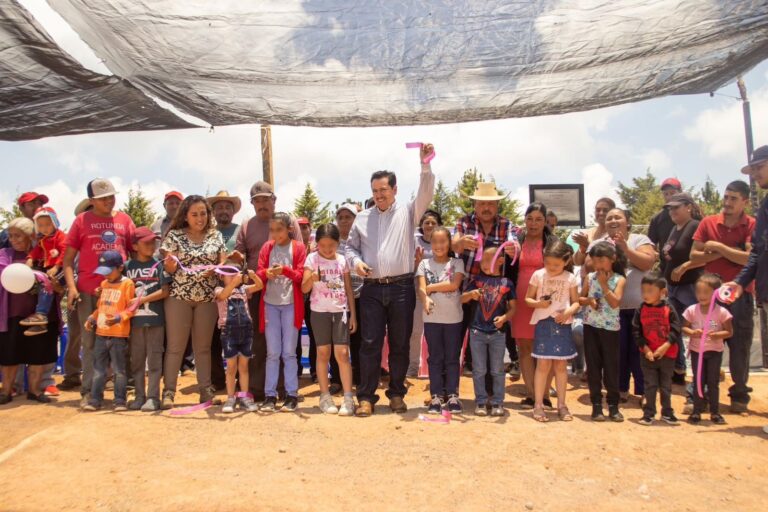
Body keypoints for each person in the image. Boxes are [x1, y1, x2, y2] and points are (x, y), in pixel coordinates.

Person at [346, 143, 435, 417]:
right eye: (375, 191)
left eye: (384, 190)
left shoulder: (409, 213)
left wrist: (425, 164)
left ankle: (396, 393)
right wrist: (356, 262)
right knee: (369, 343)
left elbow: (426, 192)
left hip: (402, 287)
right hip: (371, 289)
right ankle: (366, 397)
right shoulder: (361, 218)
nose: (379, 195)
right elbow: (350, 248)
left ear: (395, 190)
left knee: (399, 343)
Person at [63, 178, 136, 409]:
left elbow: (136, 253)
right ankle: (89, 393)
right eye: (103, 197)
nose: (109, 200)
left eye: (111, 196)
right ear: (91, 200)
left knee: (119, 343)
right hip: (88, 291)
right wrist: (72, 288)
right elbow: (67, 261)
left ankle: (119, 394)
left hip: (119, 293)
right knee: (90, 342)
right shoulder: (81, 220)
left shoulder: (125, 220)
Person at [232, 181, 302, 402]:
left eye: (265, 199)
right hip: (257, 292)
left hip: (289, 295)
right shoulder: (246, 225)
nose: (262, 204)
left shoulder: (289, 221)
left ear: (274, 200)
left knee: (287, 346)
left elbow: (300, 256)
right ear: (252, 203)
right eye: (257, 200)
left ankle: (286, 390)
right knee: (260, 343)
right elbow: (240, 255)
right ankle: (260, 389)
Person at [692, 180, 755, 413]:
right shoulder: (708, 222)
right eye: (726, 197)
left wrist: (717, 248)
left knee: (739, 346)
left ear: (745, 201)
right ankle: (700, 394)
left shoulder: (752, 225)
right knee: (703, 344)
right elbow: (694, 256)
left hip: (740, 295)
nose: (727, 202)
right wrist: (732, 254)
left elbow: (750, 260)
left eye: (734, 198)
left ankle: (739, 393)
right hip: (709, 297)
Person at [160, 195, 227, 408]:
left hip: (207, 299)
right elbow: (168, 268)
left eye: (203, 214)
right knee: (175, 347)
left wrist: (215, 269)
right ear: (185, 216)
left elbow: (223, 264)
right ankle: (169, 393)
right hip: (179, 298)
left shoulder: (216, 236)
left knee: (203, 348)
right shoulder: (174, 236)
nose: (200, 218)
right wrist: (170, 264)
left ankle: (206, 392)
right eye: (194, 214)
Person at [453, 184, 519, 380]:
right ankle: (451, 385)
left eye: (490, 203)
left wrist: (514, 248)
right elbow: (453, 243)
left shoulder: (507, 225)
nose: (486, 207)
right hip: (467, 289)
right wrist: (460, 243)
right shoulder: (463, 223)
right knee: (457, 335)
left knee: (493, 340)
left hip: (494, 295)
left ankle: (490, 391)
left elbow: (516, 244)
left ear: (497, 205)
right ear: (475, 204)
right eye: (482, 203)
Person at [590, 208, 656, 403]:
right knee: (617, 352)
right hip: (610, 309)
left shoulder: (639, 239)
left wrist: (625, 249)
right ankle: (620, 389)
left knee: (640, 350)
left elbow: (647, 262)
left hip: (638, 307)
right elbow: (587, 265)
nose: (612, 220)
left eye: (617, 217)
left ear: (627, 221)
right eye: (609, 218)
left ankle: (645, 392)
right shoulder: (599, 242)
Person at [727, 145, 768, 432]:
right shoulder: (765, 206)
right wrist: (740, 282)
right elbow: (757, 252)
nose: (754, 174)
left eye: (758, 168)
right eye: (752, 169)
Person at [0, 218, 60, 405]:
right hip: (12, 314)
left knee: (38, 354)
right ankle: (6, 391)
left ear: (30, 236)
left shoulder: (43, 255)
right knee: (9, 355)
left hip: (41, 316)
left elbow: (56, 282)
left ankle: (34, 391)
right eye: (11, 236)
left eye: (18, 235)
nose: (14, 239)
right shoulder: (4, 255)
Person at [302, 223, 357, 416]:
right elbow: (304, 288)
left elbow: (348, 289)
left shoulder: (343, 261)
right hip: (318, 312)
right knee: (323, 353)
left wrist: (353, 315)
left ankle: (348, 397)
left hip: (340, 312)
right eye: (322, 245)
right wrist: (312, 278)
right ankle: (325, 397)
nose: (326, 249)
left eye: (331, 245)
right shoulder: (311, 259)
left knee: (342, 354)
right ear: (317, 244)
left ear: (338, 243)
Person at [256, 212, 307, 413]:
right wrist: (266, 273)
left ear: (289, 229)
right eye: (272, 230)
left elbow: (301, 276)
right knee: (273, 352)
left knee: (289, 352)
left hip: (291, 305)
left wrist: (284, 270)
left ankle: (291, 394)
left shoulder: (299, 248)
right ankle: (270, 395)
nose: (275, 234)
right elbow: (259, 272)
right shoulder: (267, 247)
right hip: (270, 304)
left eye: (279, 229)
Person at [510, 202, 559, 408]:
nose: (533, 223)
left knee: (545, 347)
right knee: (524, 346)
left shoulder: (553, 242)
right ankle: (531, 394)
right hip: (521, 299)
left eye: (539, 219)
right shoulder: (516, 241)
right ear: (525, 220)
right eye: (530, 219)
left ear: (545, 221)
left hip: (546, 300)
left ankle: (545, 395)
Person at [527, 240, 581, 422]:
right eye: (547, 263)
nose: (551, 267)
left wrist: (568, 312)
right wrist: (539, 304)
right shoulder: (537, 275)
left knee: (560, 366)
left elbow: (576, 302)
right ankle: (538, 404)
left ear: (566, 261)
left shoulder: (570, 278)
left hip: (563, 325)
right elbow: (528, 299)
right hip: (543, 324)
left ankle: (562, 404)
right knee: (542, 365)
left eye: (556, 264)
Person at [461, 245, 516, 417]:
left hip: (498, 335)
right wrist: (471, 295)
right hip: (477, 333)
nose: (483, 263)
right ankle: (481, 402)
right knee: (478, 369)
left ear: (500, 261)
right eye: (482, 260)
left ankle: (498, 402)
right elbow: (461, 298)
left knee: (498, 369)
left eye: (487, 259)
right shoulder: (476, 280)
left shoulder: (507, 283)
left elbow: (514, 308)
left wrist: (505, 318)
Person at [416, 226, 465, 414]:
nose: (439, 245)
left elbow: (454, 284)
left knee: (452, 358)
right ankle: (436, 395)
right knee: (435, 358)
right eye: (435, 241)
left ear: (449, 243)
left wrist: (429, 289)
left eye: (443, 241)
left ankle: (452, 395)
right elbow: (421, 289)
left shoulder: (457, 263)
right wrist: (425, 297)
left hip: (453, 318)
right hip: (431, 319)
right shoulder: (423, 264)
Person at [82, 251, 136, 411]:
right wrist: (92, 318)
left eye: (108, 272)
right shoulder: (104, 285)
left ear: (120, 268)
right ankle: (95, 400)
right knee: (99, 370)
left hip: (118, 335)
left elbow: (131, 308)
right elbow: (101, 307)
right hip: (101, 334)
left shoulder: (127, 284)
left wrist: (119, 318)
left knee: (119, 370)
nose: (105, 276)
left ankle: (119, 400)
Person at [124, 227, 170, 412]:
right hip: (134, 323)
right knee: (136, 361)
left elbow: (165, 291)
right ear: (135, 246)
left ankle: (153, 397)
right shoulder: (127, 267)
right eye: (146, 242)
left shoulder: (159, 265)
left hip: (156, 322)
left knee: (154, 360)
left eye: (153, 242)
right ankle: (139, 396)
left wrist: (142, 300)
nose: (152, 245)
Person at [580, 241, 627, 422]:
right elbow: (580, 297)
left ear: (612, 259)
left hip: (610, 328)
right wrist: (589, 300)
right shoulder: (589, 277)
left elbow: (616, 302)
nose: (598, 264)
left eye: (602, 260)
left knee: (611, 367)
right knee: (593, 366)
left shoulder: (619, 279)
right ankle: (596, 405)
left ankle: (613, 406)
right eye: (595, 260)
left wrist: (604, 285)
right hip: (591, 326)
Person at [662, 192, 704, 384]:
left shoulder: (695, 226)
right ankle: (679, 369)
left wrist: (686, 266)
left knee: (698, 327)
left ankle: (703, 374)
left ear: (688, 207)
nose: (672, 211)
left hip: (690, 285)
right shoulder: (675, 228)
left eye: (676, 207)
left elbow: (702, 256)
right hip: (673, 287)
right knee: (674, 327)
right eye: (670, 208)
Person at [683, 274, 733, 425]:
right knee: (698, 380)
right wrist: (692, 333)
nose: (701, 295)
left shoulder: (722, 312)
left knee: (712, 382)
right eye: (699, 292)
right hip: (697, 352)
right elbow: (684, 327)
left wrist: (717, 335)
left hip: (714, 352)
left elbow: (730, 332)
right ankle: (696, 412)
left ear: (716, 293)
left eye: (706, 292)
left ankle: (715, 412)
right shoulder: (691, 310)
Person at [633, 272, 681, 426]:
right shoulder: (640, 309)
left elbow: (676, 330)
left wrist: (666, 346)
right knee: (650, 385)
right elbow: (636, 331)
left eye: (650, 291)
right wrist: (645, 349)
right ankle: (649, 414)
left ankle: (667, 413)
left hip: (667, 355)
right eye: (643, 291)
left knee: (666, 386)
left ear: (662, 292)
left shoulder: (669, 309)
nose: (645, 295)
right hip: (648, 356)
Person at [207, 190, 242, 390]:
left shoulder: (240, 230)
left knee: (237, 333)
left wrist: (240, 259)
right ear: (213, 211)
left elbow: (246, 256)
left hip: (236, 289)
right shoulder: (208, 233)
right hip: (212, 289)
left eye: (227, 207)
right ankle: (217, 379)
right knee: (213, 335)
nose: (223, 210)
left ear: (233, 211)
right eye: (219, 207)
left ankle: (238, 378)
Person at [215, 269, 263, 413]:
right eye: (228, 274)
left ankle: (244, 398)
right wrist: (235, 282)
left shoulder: (243, 289)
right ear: (221, 276)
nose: (233, 277)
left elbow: (259, 286)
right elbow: (223, 295)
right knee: (231, 367)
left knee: (244, 367)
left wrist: (253, 276)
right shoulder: (219, 289)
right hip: (228, 332)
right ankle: (230, 398)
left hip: (246, 331)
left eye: (234, 273)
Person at [20, 207, 67, 336]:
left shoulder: (60, 236)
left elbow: (65, 251)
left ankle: (41, 314)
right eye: (41, 225)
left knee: (47, 285)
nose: (44, 228)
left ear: (55, 222)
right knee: (41, 288)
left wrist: (57, 267)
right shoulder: (43, 239)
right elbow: (37, 251)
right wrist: (30, 258)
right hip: (48, 269)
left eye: (48, 224)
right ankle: (40, 324)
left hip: (61, 269)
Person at [408, 209, 441, 377]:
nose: (429, 225)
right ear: (421, 225)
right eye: (426, 222)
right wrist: (417, 263)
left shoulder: (444, 243)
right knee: (415, 332)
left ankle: (438, 370)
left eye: (433, 223)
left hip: (439, 295)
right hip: (417, 293)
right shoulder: (414, 242)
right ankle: (413, 368)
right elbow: (409, 270)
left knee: (437, 332)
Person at [335, 203, 363, 384]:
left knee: (361, 341)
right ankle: (337, 380)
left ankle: (361, 378)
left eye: (348, 217)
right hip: (336, 300)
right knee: (338, 342)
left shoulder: (363, 242)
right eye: (341, 217)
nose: (344, 221)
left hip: (362, 297)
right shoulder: (331, 242)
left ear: (356, 220)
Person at [648, 177, 683, 274]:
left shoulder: (692, 214)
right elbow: (651, 244)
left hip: (689, 267)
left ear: (680, 192)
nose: (669, 197)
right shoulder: (657, 218)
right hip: (666, 268)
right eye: (666, 194)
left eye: (672, 193)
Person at [572, 197, 616, 266]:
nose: (601, 213)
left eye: (605, 210)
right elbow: (577, 262)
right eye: (598, 210)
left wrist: (587, 245)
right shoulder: (587, 233)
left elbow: (610, 260)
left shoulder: (615, 234)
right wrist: (582, 247)